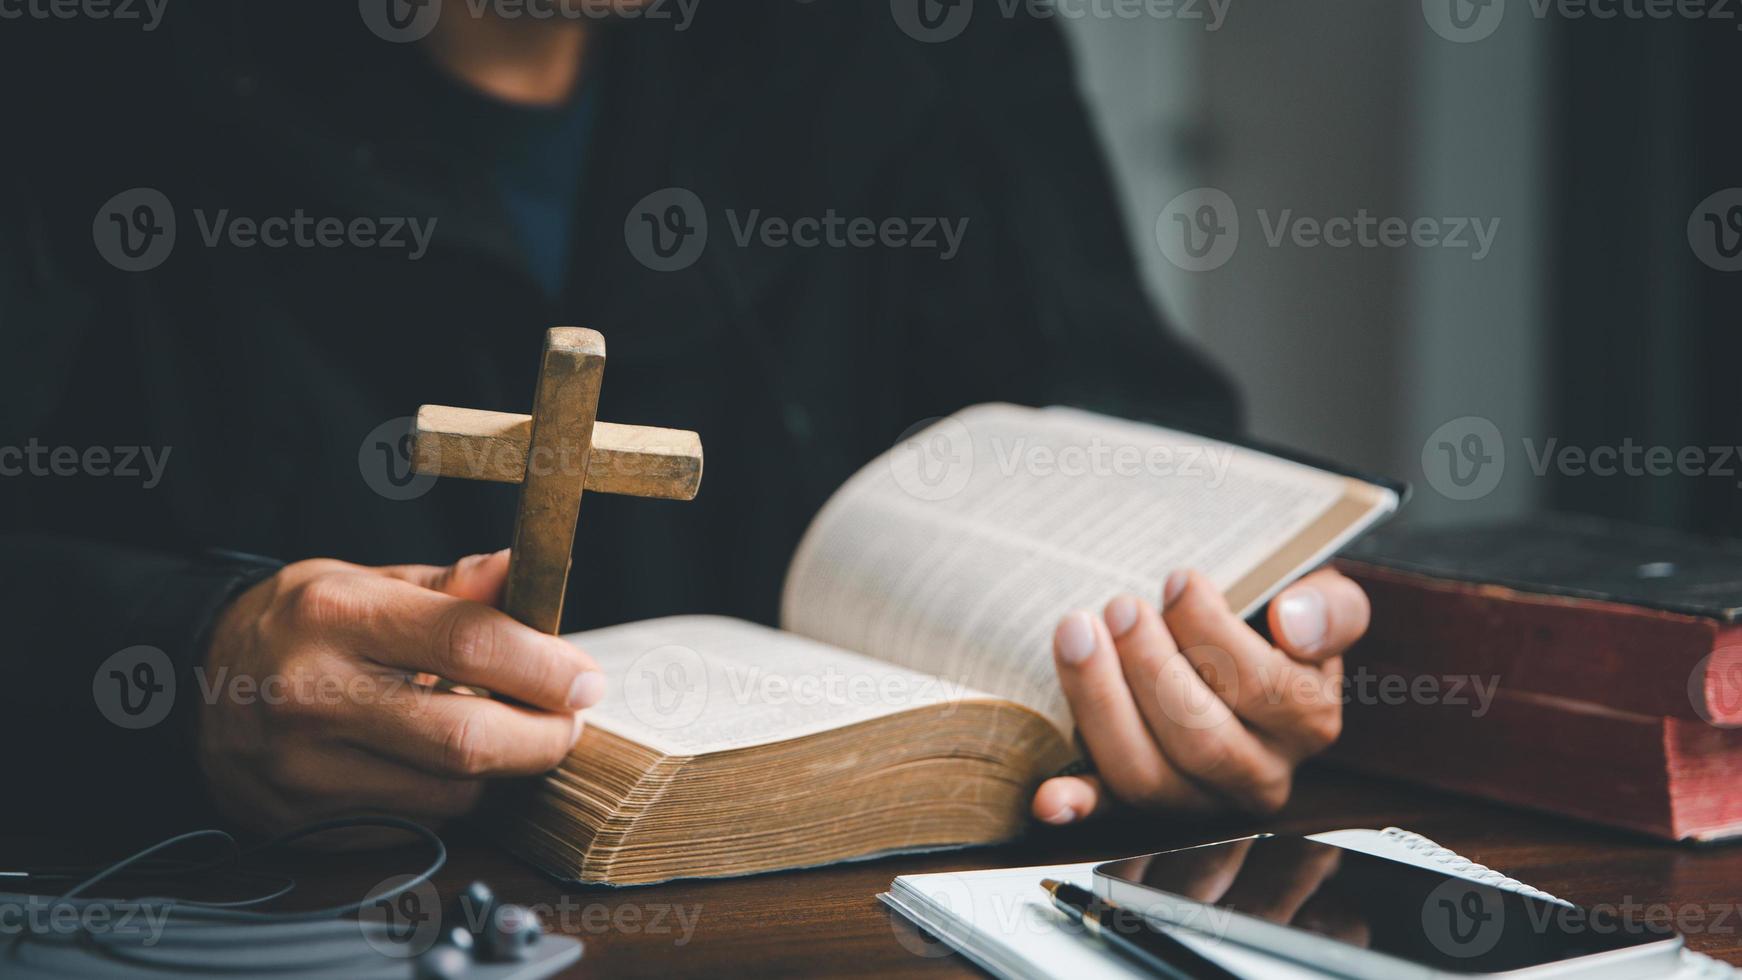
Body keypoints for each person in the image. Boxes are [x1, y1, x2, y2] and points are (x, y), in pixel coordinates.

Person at [0, 1, 1369, 844]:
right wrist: (188, 665)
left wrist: (1216, 671)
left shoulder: (920, 42)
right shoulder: (85, 67)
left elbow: (1129, 427)